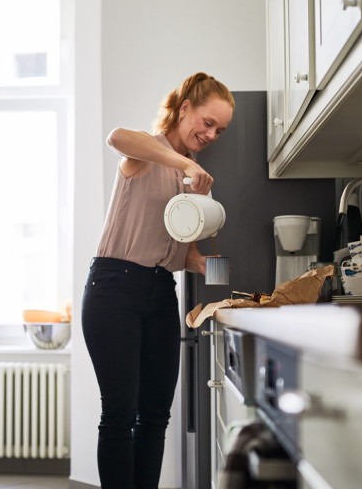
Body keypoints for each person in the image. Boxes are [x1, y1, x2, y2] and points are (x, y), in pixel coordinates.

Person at [81, 72, 235, 488]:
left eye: (219, 129)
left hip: (160, 293)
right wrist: (184, 160)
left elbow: (173, 250)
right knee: (119, 413)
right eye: (207, 122)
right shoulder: (150, 153)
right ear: (184, 108)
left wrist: (210, 267)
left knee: (155, 416)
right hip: (115, 289)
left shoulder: (183, 179)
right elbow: (116, 137)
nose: (211, 134)